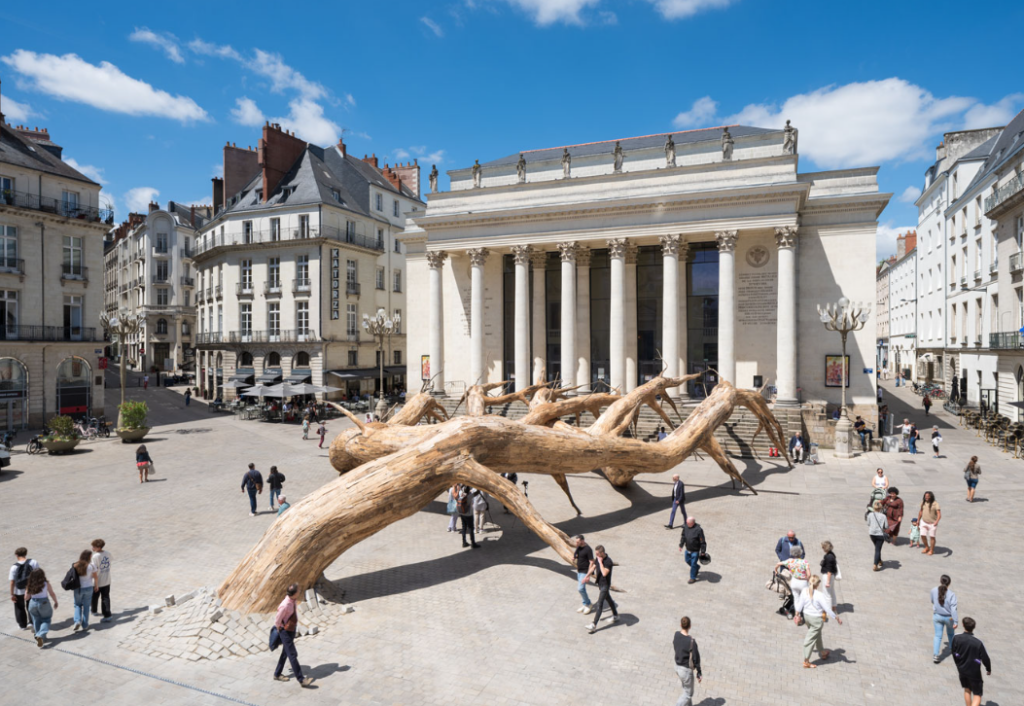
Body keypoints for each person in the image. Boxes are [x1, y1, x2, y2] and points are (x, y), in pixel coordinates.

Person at [272, 583, 315, 687]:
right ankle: (301, 680)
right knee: (292, 655)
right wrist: (280, 629)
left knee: (285, 653)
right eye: (298, 591)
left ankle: (277, 674)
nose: (300, 592)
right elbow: (277, 620)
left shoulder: (293, 600)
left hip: (291, 630)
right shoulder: (285, 605)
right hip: (285, 631)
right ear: (294, 594)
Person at [795, 575, 842, 668]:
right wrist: (836, 618)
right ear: (818, 584)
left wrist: (796, 614)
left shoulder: (805, 591)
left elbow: (800, 604)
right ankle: (806, 661)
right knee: (810, 639)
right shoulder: (820, 595)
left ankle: (823, 652)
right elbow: (827, 609)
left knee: (817, 635)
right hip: (816, 620)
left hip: (807, 617)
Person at [951, 617, 991, 706]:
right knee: (977, 694)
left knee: (967, 689)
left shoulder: (956, 638)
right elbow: (985, 658)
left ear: (963, 625)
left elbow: (953, 652)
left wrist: (958, 664)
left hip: (962, 669)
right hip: (974, 672)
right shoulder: (978, 643)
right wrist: (988, 669)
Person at [584, 545, 618, 633]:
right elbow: (593, 567)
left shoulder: (608, 561)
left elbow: (604, 573)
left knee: (600, 603)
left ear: (602, 553)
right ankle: (616, 615)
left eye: (598, 554)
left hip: (605, 586)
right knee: (609, 599)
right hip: (600, 584)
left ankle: (593, 625)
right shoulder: (598, 558)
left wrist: (600, 562)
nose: (596, 556)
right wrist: (587, 576)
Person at [673, 616, 702, 706]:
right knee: (688, 694)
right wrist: (699, 673)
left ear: (681, 625)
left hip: (677, 667)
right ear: (690, 626)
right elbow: (696, 659)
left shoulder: (676, 634)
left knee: (686, 689)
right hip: (685, 671)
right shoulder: (691, 642)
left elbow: (675, 645)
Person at [25, 568, 58, 648]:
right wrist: (55, 601)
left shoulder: (29, 584)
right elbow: (52, 593)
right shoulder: (46, 583)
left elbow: (26, 598)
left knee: (36, 620)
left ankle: (41, 638)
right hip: (44, 603)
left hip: (32, 604)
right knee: (46, 619)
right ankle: (40, 635)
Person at [9, 547, 39, 631]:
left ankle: (22, 625)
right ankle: (32, 622)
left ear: (16, 555)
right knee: (31, 606)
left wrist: (12, 594)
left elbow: (12, 582)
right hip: (31, 589)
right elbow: (38, 575)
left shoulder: (14, 567)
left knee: (19, 607)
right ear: (26, 553)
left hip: (18, 591)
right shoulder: (33, 562)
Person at [931, 574, 958, 663]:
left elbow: (932, 601)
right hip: (949, 618)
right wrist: (956, 621)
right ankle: (952, 649)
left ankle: (936, 655)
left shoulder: (934, 590)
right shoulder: (951, 594)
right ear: (949, 583)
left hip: (937, 616)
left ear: (940, 581)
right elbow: (953, 609)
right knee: (950, 634)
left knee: (938, 636)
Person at [71, 549, 98, 633]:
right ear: (90, 556)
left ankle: (77, 621)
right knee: (86, 606)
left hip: (78, 588)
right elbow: (95, 577)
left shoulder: (75, 565)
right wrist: (96, 585)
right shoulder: (92, 565)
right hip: (89, 588)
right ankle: (85, 625)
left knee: (77, 605)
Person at [89, 539, 113, 623]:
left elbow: (94, 570)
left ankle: (94, 610)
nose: (92, 548)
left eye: (94, 546)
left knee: (94, 596)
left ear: (98, 547)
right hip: (107, 579)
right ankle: (107, 615)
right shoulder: (107, 553)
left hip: (98, 581)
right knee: (105, 597)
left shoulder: (95, 556)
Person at [678, 517, 707, 584]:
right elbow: (683, 537)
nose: (686, 524)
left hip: (695, 551)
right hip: (688, 549)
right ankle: (697, 567)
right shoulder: (685, 527)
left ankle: (692, 578)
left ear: (692, 523)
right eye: (687, 522)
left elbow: (702, 541)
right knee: (687, 560)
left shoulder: (699, 530)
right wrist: (681, 545)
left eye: (688, 523)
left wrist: (703, 551)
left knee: (693, 564)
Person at [573, 536, 593, 615]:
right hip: (579, 570)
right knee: (582, 589)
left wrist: (588, 575)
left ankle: (589, 604)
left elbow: (591, 562)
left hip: (584, 571)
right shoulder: (579, 547)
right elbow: (576, 553)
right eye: (576, 542)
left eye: (578, 542)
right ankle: (585, 604)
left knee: (580, 588)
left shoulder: (588, 549)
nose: (576, 543)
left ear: (583, 541)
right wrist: (574, 557)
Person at [456, 484, 480, 549]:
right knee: (471, 528)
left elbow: (461, 489)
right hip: (468, 514)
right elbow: (477, 492)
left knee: (464, 527)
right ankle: (473, 543)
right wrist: (479, 487)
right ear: (469, 490)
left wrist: (463, 485)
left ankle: (464, 542)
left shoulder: (461, 494)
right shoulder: (469, 496)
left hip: (461, 513)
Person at [917, 491, 941, 555]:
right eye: (925, 496)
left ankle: (932, 550)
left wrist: (936, 521)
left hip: (932, 523)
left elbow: (939, 514)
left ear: (931, 496)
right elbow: (921, 511)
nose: (926, 497)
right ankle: (927, 547)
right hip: (923, 522)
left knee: (932, 537)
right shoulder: (923, 502)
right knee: (922, 535)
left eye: (927, 496)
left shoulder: (935, 504)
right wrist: (918, 520)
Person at [867, 500, 887, 571]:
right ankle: (875, 564)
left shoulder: (870, 515)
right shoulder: (883, 516)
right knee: (878, 549)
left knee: (877, 548)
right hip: (880, 534)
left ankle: (879, 561)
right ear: (881, 508)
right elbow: (886, 526)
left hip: (872, 534)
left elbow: (868, 524)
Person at [820, 541, 839, 610]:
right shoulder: (832, 554)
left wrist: (827, 582)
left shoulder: (829, 557)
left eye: (823, 547)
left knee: (826, 594)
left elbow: (829, 571)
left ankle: (827, 610)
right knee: (831, 591)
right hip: (831, 576)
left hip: (827, 576)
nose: (822, 548)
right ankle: (833, 606)